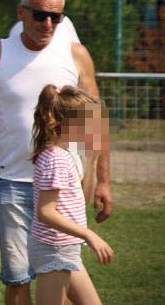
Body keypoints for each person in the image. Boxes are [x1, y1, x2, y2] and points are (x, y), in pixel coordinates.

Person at [0, 0, 113, 305]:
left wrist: (104, 181)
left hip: (66, 184)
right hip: (13, 183)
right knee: (17, 279)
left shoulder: (76, 55)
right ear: (21, 13)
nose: (48, 23)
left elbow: (95, 121)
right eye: (40, 15)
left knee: (62, 275)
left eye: (56, 16)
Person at [28, 84, 112, 305]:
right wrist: (89, 234)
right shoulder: (55, 158)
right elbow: (46, 212)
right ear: (69, 124)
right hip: (54, 249)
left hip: (65, 248)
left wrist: (92, 160)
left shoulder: (67, 155)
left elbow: (79, 200)